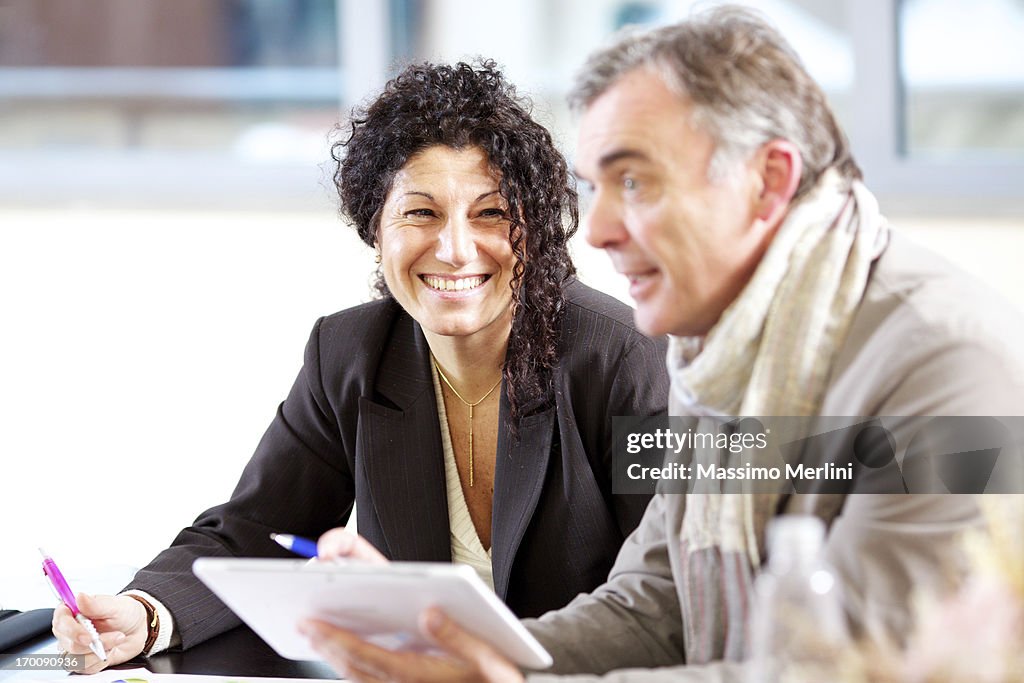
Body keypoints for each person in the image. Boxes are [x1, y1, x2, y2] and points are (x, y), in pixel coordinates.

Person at [293, 7, 1024, 682]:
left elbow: (857, 668)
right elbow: (655, 600)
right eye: (596, 185)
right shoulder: (721, 355)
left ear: (767, 182)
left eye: (634, 180)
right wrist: (469, 651)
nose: (599, 227)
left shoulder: (947, 364)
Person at [51, 61, 668, 673]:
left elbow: (673, 591)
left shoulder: (625, 357)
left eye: (492, 213)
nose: (454, 249)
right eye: (421, 213)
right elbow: (256, 530)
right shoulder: (348, 352)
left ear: (534, 230)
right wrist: (148, 613)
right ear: (376, 227)